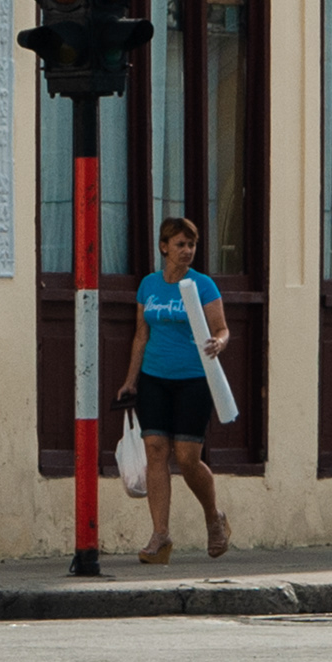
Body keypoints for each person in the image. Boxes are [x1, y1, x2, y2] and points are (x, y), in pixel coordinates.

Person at [113, 216, 234, 564]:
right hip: (154, 377)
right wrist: (131, 379)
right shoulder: (149, 286)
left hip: (194, 379)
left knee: (187, 458)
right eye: (180, 244)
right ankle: (160, 536)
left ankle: (214, 517)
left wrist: (219, 343)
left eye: (191, 245)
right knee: (155, 451)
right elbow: (141, 335)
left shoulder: (203, 286)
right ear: (164, 247)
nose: (187, 251)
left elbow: (222, 328)